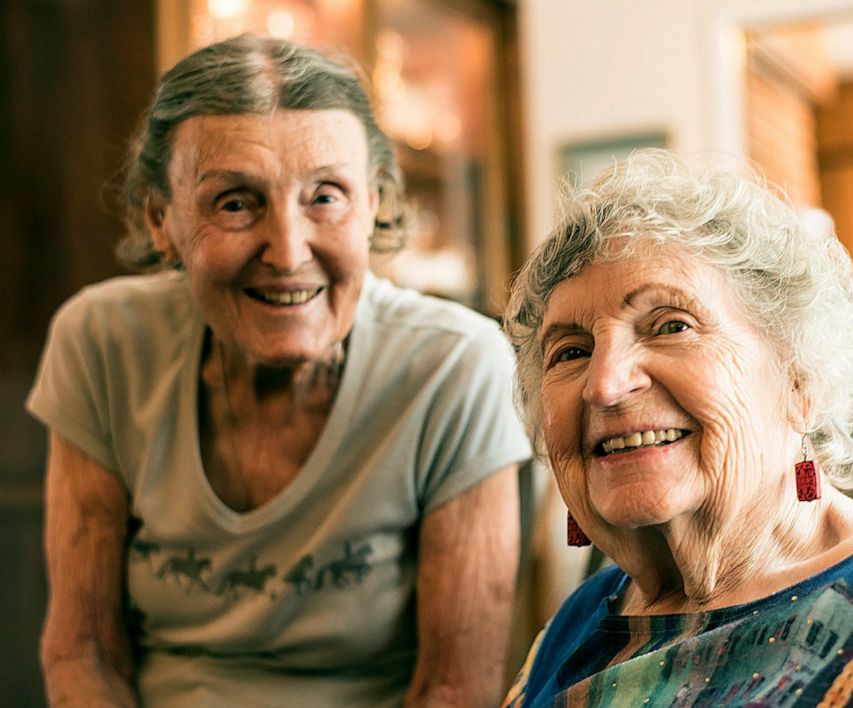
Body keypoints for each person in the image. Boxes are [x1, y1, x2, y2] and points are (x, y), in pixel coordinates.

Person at [27, 34, 530, 707]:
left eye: (326, 196)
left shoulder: (455, 367)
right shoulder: (102, 343)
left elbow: (453, 688)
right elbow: (81, 651)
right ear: (161, 220)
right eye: (235, 202)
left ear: (375, 202)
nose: (289, 252)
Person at [501, 149, 853, 706]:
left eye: (670, 326)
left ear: (799, 381)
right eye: (570, 352)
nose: (604, 384)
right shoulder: (577, 624)